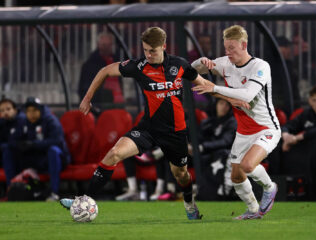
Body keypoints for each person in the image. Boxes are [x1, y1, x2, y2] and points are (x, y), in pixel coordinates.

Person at [59, 26, 235, 220]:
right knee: (114, 153)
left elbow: (204, 84)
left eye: (152, 50)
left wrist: (233, 98)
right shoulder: (138, 66)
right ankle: (81, 201)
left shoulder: (180, 65)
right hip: (148, 128)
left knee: (181, 175)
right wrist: (87, 97)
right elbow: (106, 70)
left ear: (163, 46)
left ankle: (189, 204)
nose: (148, 55)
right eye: (145, 50)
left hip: (175, 132)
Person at [191, 25, 281, 220]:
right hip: (244, 131)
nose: (228, 52)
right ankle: (253, 210)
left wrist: (215, 87)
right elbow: (192, 70)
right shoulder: (224, 63)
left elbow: (248, 94)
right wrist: (202, 61)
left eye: (232, 48)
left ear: (244, 45)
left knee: (248, 166)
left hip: (267, 128)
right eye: (226, 48)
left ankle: (269, 187)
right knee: (236, 177)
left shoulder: (260, 66)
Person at [3, 97, 71, 201]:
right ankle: (11, 189)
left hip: (52, 160)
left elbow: (57, 141)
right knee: (8, 150)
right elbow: (13, 140)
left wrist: (33, 144)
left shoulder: (51, 120)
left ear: (41, 110)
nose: (31, 114)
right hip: (33, 160)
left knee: (53, 150)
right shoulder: (24, 122)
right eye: (29, 111)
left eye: (34, 110)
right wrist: (21, 144)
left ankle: (54, 192)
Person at [189, 99, 237, 200]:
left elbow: (225, 142)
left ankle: (201, 189)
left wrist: (203, 147)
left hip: (220, 155)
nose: (224, 107)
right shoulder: (207, 122)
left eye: (227, 105)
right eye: (221, 103)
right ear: (215, 105)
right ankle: (169, 189)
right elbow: (198, 138)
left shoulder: (232, 122)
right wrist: (192, 146)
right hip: (200, 153)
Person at [0, 98, 26, 199]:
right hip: (2, 155)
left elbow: (16, 143)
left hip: (20, 155)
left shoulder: (22, 121)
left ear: (15, 110)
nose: (5, 112)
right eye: (2, 110)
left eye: (8, 109)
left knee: (7, 151)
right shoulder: (0, 123)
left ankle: (10, 190)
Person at [78, 32, 124, 109]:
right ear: (98, 45)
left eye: (109, 45)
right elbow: (85, 88)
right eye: (104, 45)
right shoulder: (90, 64)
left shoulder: (116, 60)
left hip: (118, 103)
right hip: (100, 105)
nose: (106, 48)